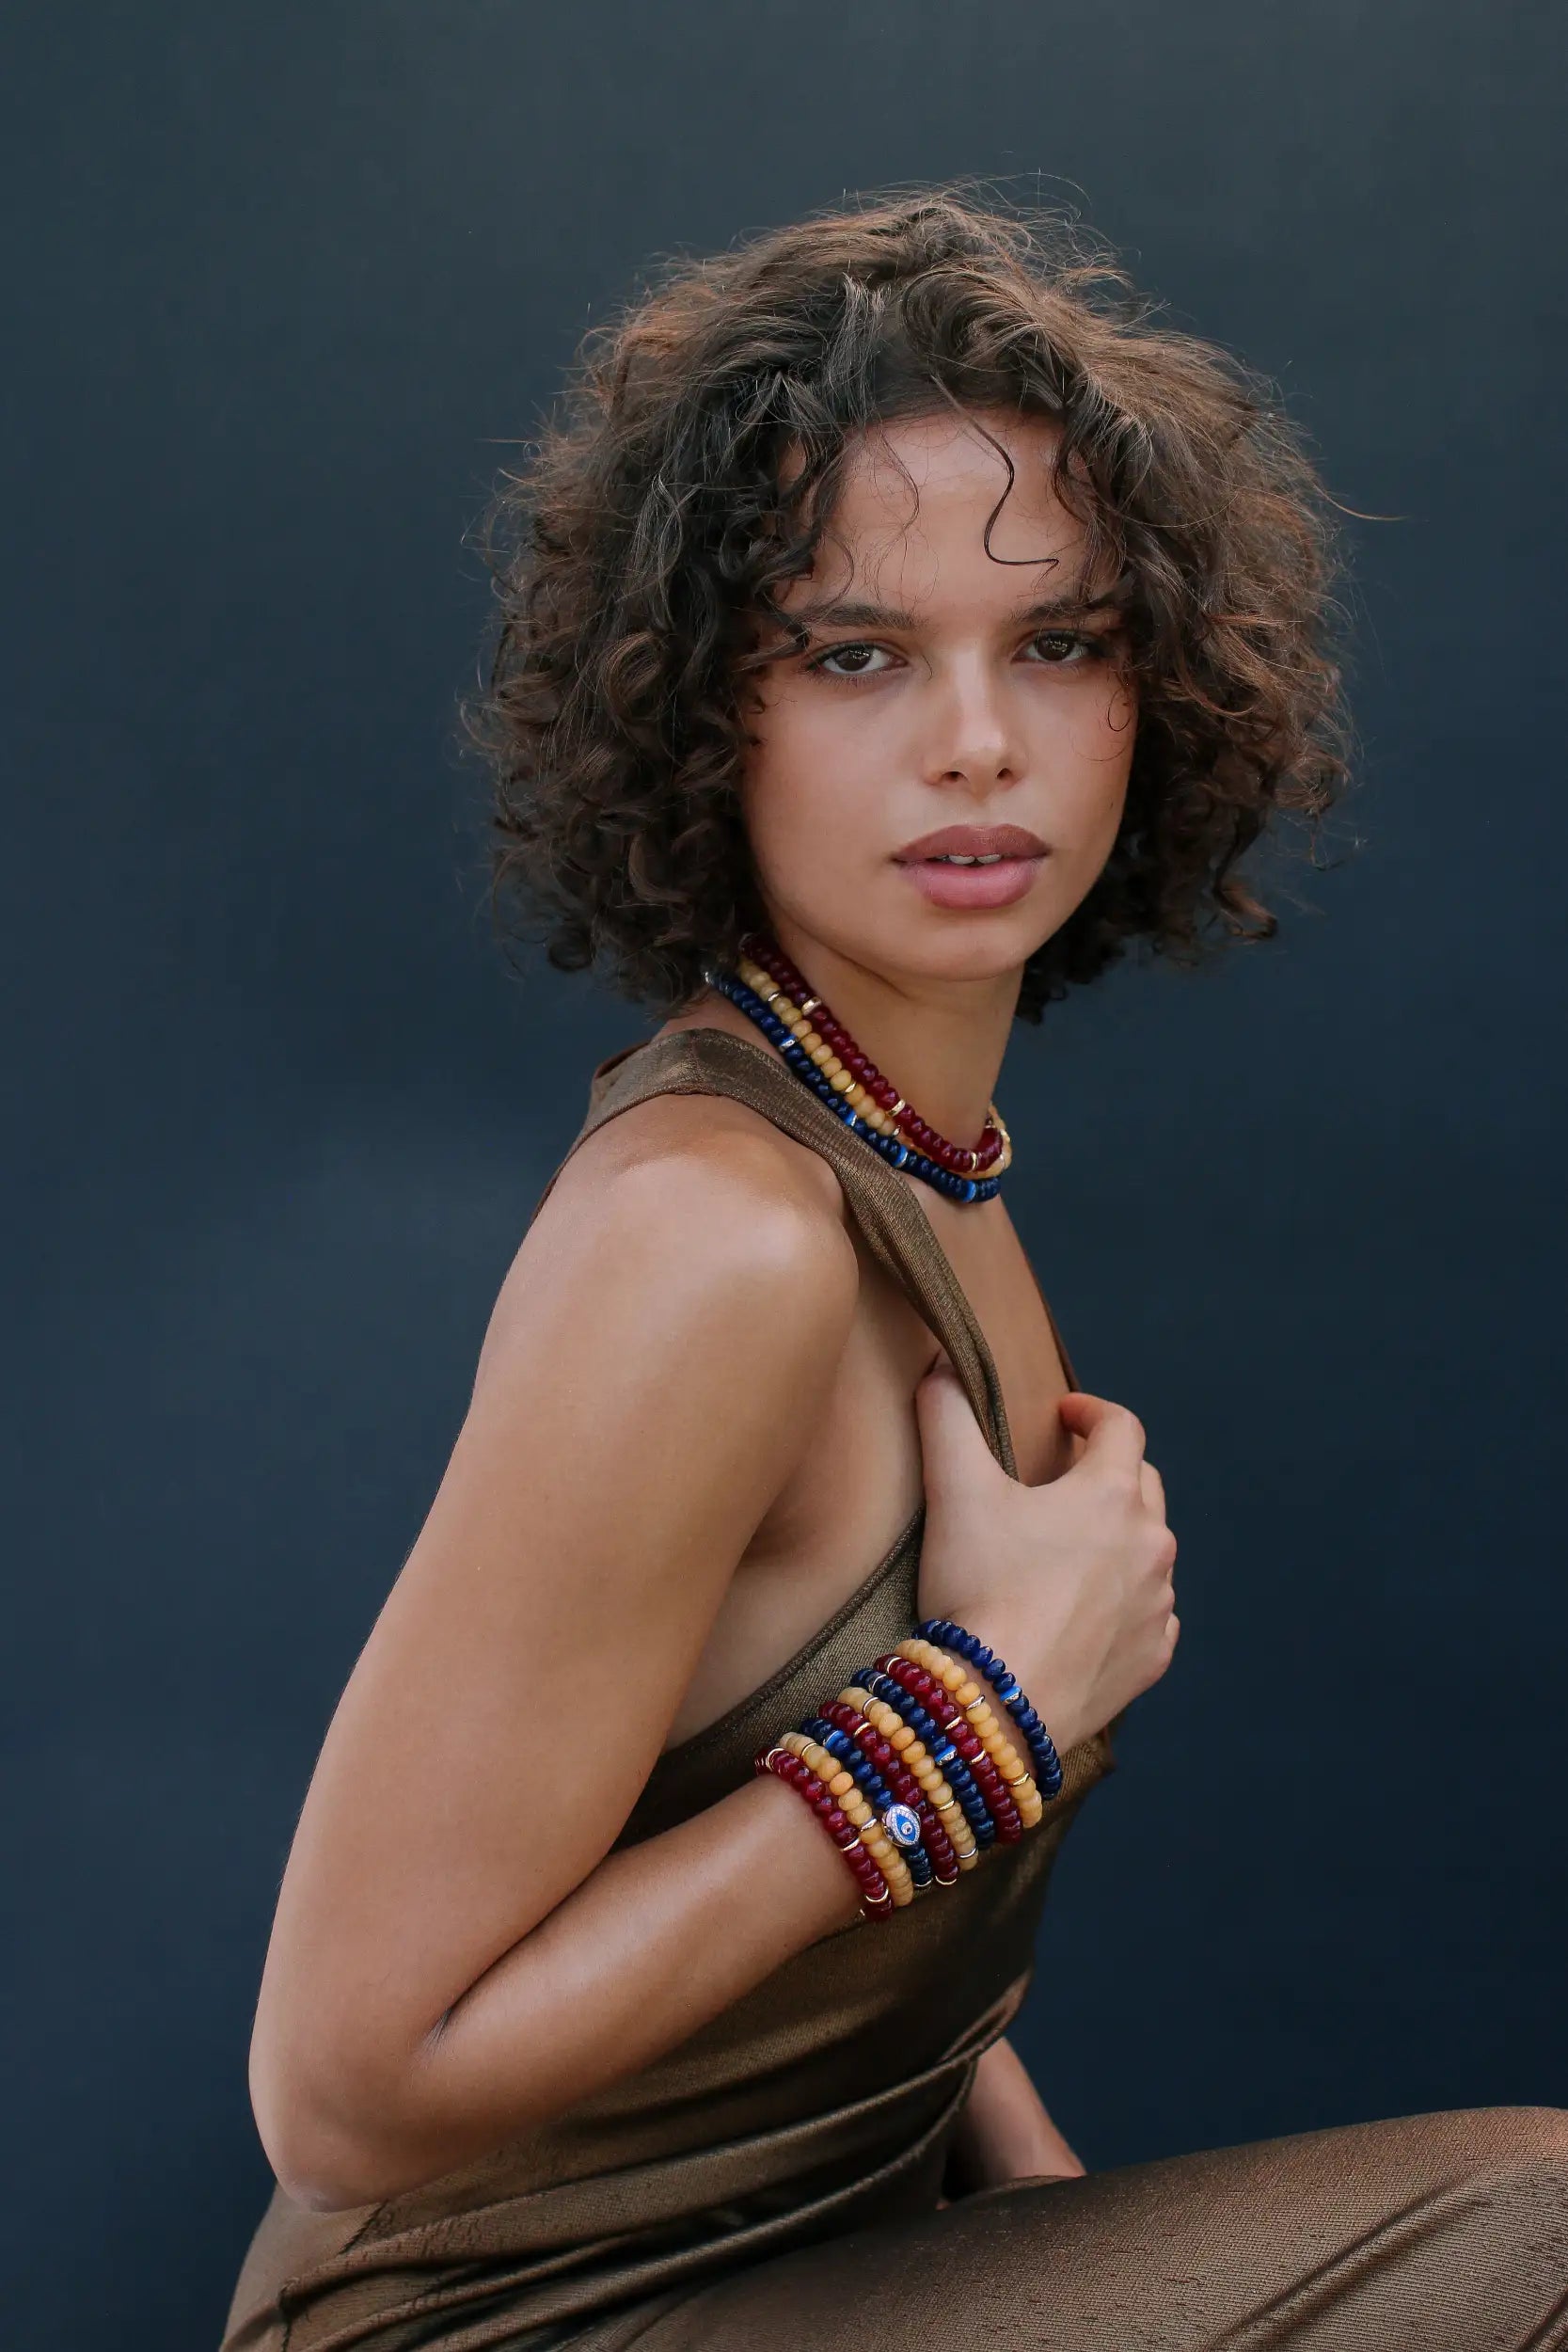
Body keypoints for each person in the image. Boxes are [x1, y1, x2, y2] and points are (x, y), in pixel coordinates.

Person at [221, 193, 1568, 2352]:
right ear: (702, 716)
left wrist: (1062, 2220)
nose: (978, 739)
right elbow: (341, 2086)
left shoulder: (916, 1159)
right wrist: (984, 1710)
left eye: (1063, 642)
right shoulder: (717, 1236)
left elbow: (861, 1950)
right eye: (856, 653)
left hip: (833, 2262)